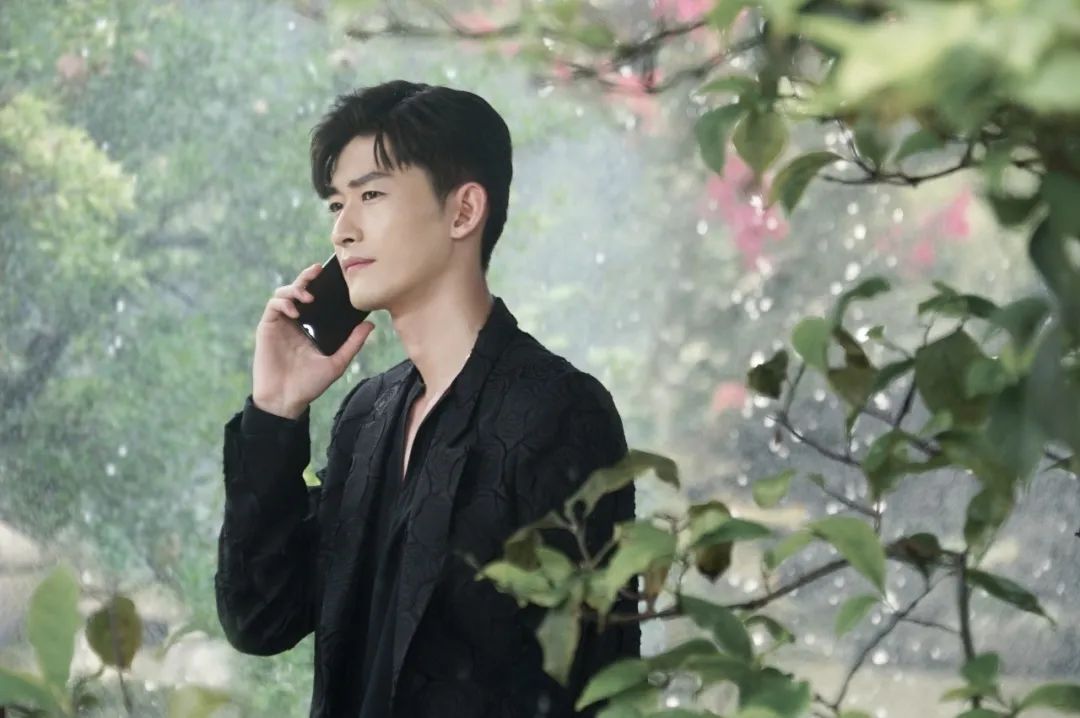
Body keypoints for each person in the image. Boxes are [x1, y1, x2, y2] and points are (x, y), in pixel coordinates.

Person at [214, 80, 639, 718]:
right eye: (337, 205)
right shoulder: (366, 417)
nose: (343, 231)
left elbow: (594, 680)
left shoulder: (560, 411)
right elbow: (259, 618)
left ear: (463, 211)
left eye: (371, 195)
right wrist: (275, 409)